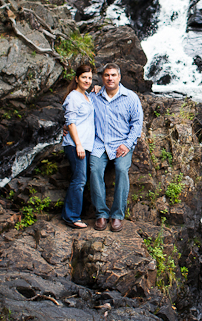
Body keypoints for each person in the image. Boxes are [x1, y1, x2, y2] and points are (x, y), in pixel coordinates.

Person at [89, 63, 144, 232]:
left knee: (121, 170)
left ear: (119, 77)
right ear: (102, 78)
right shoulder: (94, 96)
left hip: (121, 144)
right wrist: (67, 126)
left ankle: (117, 216)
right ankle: (101, 214)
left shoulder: (131, 97)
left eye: (113, 75)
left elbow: (136, 123)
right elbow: (79, 110)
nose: (110, 78)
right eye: (107, 75)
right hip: (99, 144)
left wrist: (127, 144)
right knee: (94, 169)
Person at [61, 63, 96, 230]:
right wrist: (78, 145)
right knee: (79, 180)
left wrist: (97, 89)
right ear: (76, 79)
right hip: (76, 145)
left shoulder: (87, 97)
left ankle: (73, 214)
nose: (87, 80)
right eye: (84, 77)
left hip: (86, 145)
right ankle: (71, 216)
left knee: (81, 179)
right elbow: (71, 122)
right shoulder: (73, 97)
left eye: (89, 78)